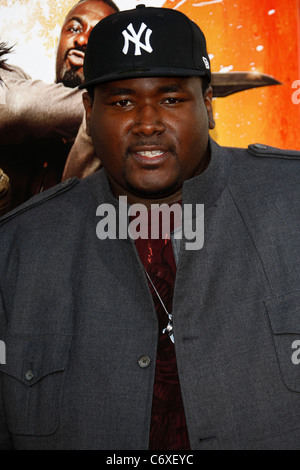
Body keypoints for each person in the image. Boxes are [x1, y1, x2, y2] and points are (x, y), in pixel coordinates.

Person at [0, 5, 299, 451]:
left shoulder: (290, 201)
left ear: (209, 104)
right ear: (88, 109)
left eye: (172, 98)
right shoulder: (18, 251)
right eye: (122, 101)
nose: (147, 123)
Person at [0, 0, 118, 214]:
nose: (81, 39)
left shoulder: (117, 147)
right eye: (74, 29)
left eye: (98, 37)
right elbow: (16, 105)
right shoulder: (14, 86)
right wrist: (120, 102)